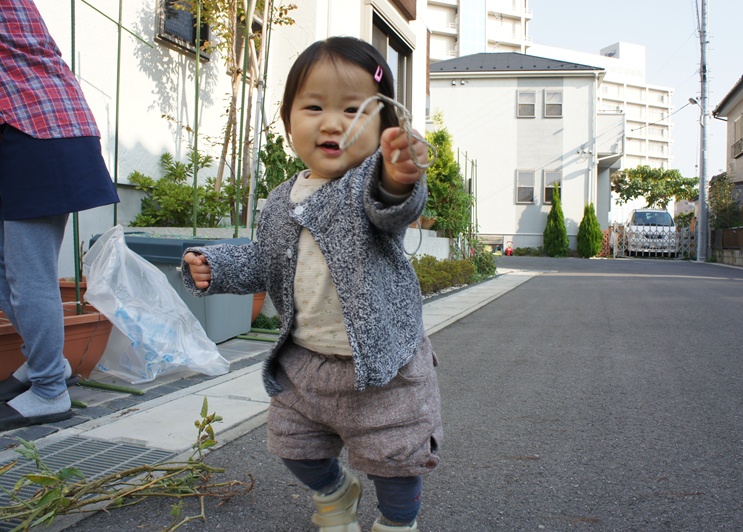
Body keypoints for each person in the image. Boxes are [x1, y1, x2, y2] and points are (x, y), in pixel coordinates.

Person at [183, 37, 442, 531]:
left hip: (383, 368)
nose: (332, 122)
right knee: (293, 447)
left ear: (386, 128)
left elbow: (391, 207)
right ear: (287, 121)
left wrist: (399, 176)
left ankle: (397, 521)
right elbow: (267, 263)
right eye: (314, 106)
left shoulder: (369, 185)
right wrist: (215, 267)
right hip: (306, 365)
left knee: (396, 460)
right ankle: (334, 492)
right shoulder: (281, 199)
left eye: (353, 109)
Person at [0, 0, 119, 430]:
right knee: (8, 271)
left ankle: (50, 388)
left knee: (27, 272)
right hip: (25, 130)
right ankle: (45, 366)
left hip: (40, 131)